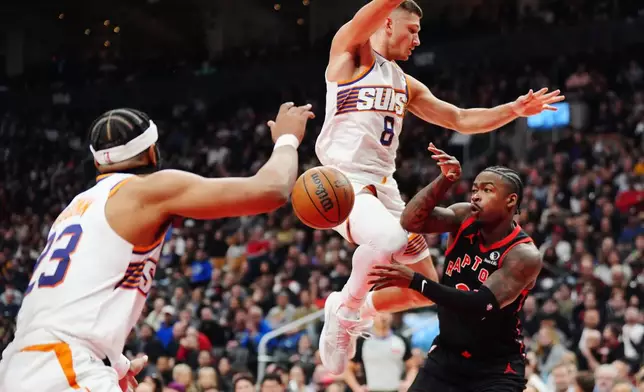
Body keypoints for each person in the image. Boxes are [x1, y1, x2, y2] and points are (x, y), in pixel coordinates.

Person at [315, 0, 563, 374]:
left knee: (424, 290)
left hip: (385, 188)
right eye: (411, 29)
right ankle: (347, 308)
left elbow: (460, 118)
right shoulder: (352, 56)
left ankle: (356, 308)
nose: (417, 39)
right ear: (385, 23)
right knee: (390, 240)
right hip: (342, 181)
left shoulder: (405, 83)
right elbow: (366, 16)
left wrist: (512, 109)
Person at [0, 103, 315, 392]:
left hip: (22, 364)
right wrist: (287, 138)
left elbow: (67, 305)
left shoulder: (74, 208)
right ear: (152, 152)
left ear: (97, 161)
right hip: (63, 368)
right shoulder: (146, 190)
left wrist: (114, 362)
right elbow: (271, 189)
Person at [367, 144, 543, 391]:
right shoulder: (463, 216)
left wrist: (415, 281)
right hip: (447, 357)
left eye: (487, 190)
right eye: (474, 189)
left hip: (495, 367)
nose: (476, 195)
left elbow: (479, 305)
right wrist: (444, 180)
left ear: (510, 200)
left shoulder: (523, 254)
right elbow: (410, 221)